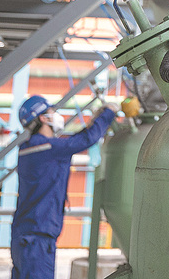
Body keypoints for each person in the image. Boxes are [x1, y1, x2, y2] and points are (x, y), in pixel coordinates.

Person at [11, 95, 118, 279]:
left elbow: (71, 142)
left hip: (23, 236)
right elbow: (86, 140)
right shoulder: (48, 148)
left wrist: (92, 123)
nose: (56, 115)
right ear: (43, 118)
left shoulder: (29, 148)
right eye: (52, 111)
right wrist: (108, 113)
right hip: (38, 238)